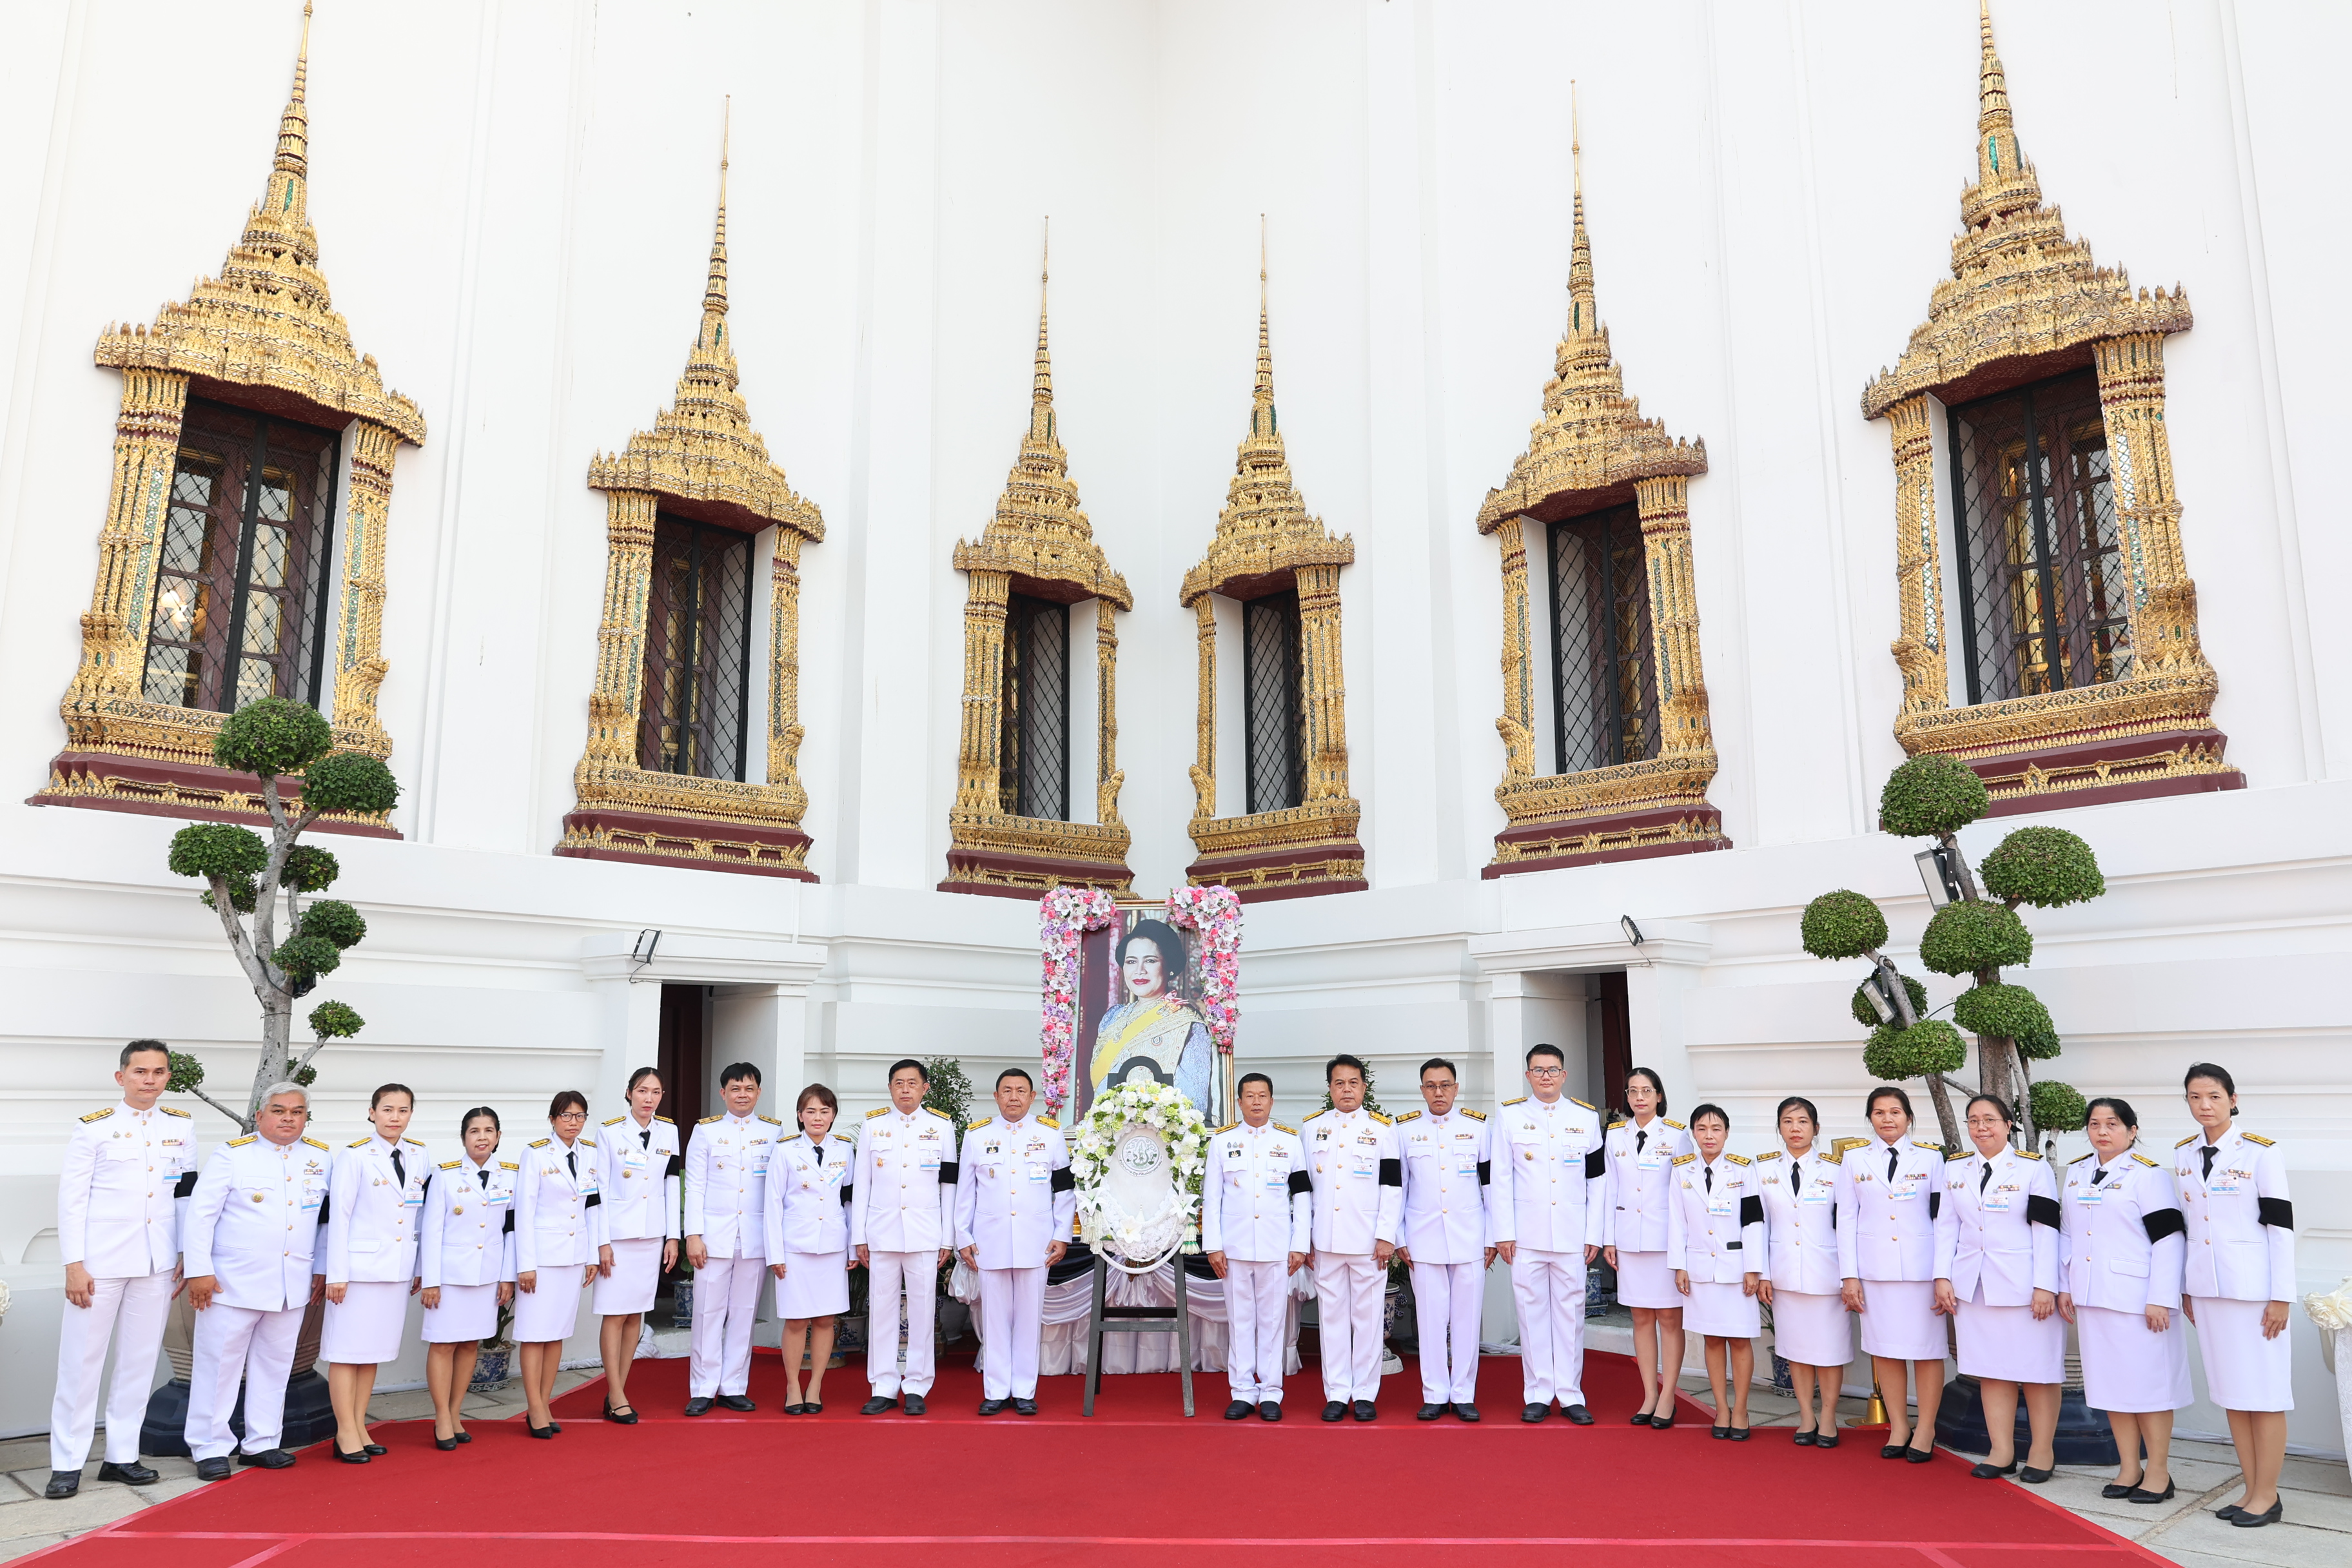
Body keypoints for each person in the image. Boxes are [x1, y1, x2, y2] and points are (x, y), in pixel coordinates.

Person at [45, 1040, 199, 1500]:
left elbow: (185, 1192)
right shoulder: (94, 1128)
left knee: (139, 1361)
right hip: (100, 1263)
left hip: (156, 1261)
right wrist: (74, 1264)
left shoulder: (181, 1125)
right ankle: (67, 1462)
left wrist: (186, 1251)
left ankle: (121, 1456)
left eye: (159, 1072)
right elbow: (72, 1201)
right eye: (140, 1071)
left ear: (168, 1077)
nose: (150, 1079)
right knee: (81, 1363)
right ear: (121, 1077)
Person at [181, 1081, 326, 1481]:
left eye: (297, 1112)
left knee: (275, 1366)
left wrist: (322, 1268)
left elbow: (325, 1220)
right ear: (260, 1116)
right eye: (279, 1111)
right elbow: (200, 1216)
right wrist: (199, 1270)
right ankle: (209, 1447)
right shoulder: (233, 1155)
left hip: (290, 1284)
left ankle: (262, 1442)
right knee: (218, 1368)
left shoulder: (320, 1158)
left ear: (306, 1118)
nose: (288, 1119)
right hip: (232, 1283)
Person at [2175, 1063, 2295, 1529]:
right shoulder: (2184, 1154)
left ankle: (2268, 1494)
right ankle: (2251, 1489)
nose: (2204, 1105)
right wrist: (2188, 1286)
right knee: (2233, 1394)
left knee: (2263, 1393)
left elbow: (2280, 1227)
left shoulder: (2261, 1153)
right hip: (2209, 1291)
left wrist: (2281, 1296)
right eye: (2195, 1097)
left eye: (2214, 1096)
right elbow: (2192, 1227)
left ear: (2232, 1099)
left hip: (2254, 1294)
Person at [2057, 1096, 2187, 1505]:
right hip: (2093, 1296)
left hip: (2138, 1299)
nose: (2102, 1131)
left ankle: (2159, 1471)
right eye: (2095, 1124)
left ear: (2132, 1131)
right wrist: (2065, 1285)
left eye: (2112, 1124)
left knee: (2149, 1387)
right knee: (2111, 1387)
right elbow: (2067, 1234)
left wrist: (2161, 1297)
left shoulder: (2148, 1176)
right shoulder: (2077, 1173)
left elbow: (2169, 1239)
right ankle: (2130, 1467)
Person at [1936, 1094, 2063, 1482]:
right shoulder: (1955, 1169)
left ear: (2008, 1125)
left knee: (2037, 1371)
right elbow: (1946, 1226)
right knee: (1991, 1370)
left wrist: (2045, 1285)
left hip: (2025, 1287)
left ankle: (2041, 1452)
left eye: (1990, 1119)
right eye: (1974, 1120)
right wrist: (1942, 1276)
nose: (1981, 1127)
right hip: (1974, 1286)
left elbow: (2046, 1229)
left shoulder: (2033, 1168)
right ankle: (2002, 1451)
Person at [1835, 1083, 1948, 1464]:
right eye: (1879, 1112)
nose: (1887, 1119)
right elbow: (1846, 1219)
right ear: (1870, 1118)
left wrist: (1942, 1273)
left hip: (1922, 1271)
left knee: (1928, 1352)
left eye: (1895, 1112)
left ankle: (1926, 1428)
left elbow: (1944, 1219)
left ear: (1909, 1118)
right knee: (1885, 1350)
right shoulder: (1854, 1160)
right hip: (1875, 1271)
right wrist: (1849, 1275)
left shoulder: (1931, 1158)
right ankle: (1899, 1426)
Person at [1493, 1044, 1605, 1425]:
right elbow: (1500, 1179)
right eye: (1538, 1070)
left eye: (1553, 1070)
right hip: (1526, 1236)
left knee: (1571, 1316)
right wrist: (1504, 1232)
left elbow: (1597, 1181)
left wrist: (1594, 1233)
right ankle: (1539, 1393)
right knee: (1531, 1315)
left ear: (1564, 1075)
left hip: (1572, 1236)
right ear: (1528, 1076)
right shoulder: (1510, 1116)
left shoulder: (1585, 1118)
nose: (1546, 1076)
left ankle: (1571, 1394)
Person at [954, 1068, 1075, 1415]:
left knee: (1028, 1319)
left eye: (1021, 1091)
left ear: (1032, 1097)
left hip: (1036, 1241)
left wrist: (1061, 1234)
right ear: (996, 1097)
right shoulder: (977, 1135)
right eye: (1006, 1090)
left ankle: (1024, 1390)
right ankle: (995, 1390)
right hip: (988, 1241)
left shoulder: (1050, 1134)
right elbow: (965, 1193)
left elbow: (1064, 1190)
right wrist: (963, 1236)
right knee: (993, 1319)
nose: (1013, 1097)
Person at [322, 1083, 427, 1463]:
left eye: (403, 1110)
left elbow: (417, 1216)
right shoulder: (354, 1156)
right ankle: (344, 1431)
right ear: (372, 1113)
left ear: (410, 1114)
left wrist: (418, 1267)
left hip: (396, 1268)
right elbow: (339, 1217)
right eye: (387, 1109)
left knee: (372, 1353)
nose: (394, 1117)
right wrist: (336, 1274)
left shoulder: (419, 1154)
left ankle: (359, 1425)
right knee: (346, 1351)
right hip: (358, 1271)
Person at [1395, 1057, 1498, 1422]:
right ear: (1422, 1090)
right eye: (1431, 1086)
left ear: (1456, 1088)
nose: (1438, 1092)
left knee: (1467, 1320)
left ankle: (1464, 1393)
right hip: (1422, 1239)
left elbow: (1491, 1186)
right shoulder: (1404, 1130)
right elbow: (1398, 1187)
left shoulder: (1478, 1127)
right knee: (1431, 1320)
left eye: (1445, 1085)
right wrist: (1398, 1235)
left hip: (1469, 1236)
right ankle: (1436, 1393)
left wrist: (1493, 1236)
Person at [851, 1058, 957, 1415]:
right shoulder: (873, 1126)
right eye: (899, 1083)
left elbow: (949, 1185)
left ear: (925, 1088)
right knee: (882, 1310)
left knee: (923, 1310)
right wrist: (859, 1236)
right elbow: (862, 1184)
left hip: (925, 1233)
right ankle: (882, 1385)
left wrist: (947, 1238)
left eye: (912, 1083)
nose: (905, 1089)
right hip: (881, 1233)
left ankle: (916, 1385)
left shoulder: (941, 1126)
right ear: (890, 1088)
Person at [1201, 1072, 1309, 1421]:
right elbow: (1212, 1197)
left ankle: (1272, 1392)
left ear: (1272, 1101)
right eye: (1250, 1096)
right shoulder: (1222, 1142)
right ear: (1239, 1102)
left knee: (1274, 1322)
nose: (1257, 1102)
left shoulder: (1290, 1142)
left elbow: (1302, 1196)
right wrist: (1213, 1246)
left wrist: (1300, 1243)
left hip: (1276, 1246)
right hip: (1233, 1249)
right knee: (1241, 1321)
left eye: (1263, 1096)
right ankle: (1243, 1391)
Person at [1300, 1054, 1402, 1422]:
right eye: (1339, 1083)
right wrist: (1304, 1238)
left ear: (1364, 1086)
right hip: (1325, 1241)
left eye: (1353, 1082)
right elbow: (1303, 1190)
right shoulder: (1311, 1128)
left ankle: (1365, 1394)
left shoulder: (1383, 1128)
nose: (1347, 1089)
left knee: (1368, 1320)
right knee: (1331, 1320)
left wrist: (1386, 1236)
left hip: (1368, 1242)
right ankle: (1337, 1393)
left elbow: (1393, 1185)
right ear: (1330, 1088)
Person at [682, 1062, 779, 1416]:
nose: (743, 1095)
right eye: (735, 1089)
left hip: (754, 1237)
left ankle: (734, 1385)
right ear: (723, 1093)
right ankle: (703, 1388)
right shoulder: (705, 1131)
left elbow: (776, 1190)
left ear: (759, 1092)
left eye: (749, 1088)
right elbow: (694, 1186)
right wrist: (693, 1234)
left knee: (744, 1313)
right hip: (713, 1237)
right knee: (707, 1313)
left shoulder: (774, 1132)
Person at [513, 1090, 611, 1438]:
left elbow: (592, 1207)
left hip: (573, 1256)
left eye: (580, 1116)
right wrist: (525, 1264)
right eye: (566, 1116)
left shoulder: (591, 1154)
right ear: (553, 1119)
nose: (574, 1123)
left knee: (557, 1333)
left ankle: (544, 1402)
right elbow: (523, 1213)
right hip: (541, 1259)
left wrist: (591, 1256)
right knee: (534, 1333)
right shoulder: (536, 1154)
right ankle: (534, 1407)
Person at [1754, 1095, 1849, 1449]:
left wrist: (1850, 1275)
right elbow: (1758, 1224)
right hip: (1784, 1275)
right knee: (1795, 1349)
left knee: (1830, 1351)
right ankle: (1807, 1416)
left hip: (1827, 1274)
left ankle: (1829, 1417)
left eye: (1803, 1122)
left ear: (1816, 1128)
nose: (1795, 1129)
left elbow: (1846, 1224)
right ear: (1779, 1128)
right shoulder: (1763, 1169)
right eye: (1788, 1122)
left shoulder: (1836, 1169)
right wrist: (1762, 1273)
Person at [419, 1106, 514, 1449]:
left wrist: (507, 1277)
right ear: (463, 1138)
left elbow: (510, 1230)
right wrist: (430, 1280)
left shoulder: (509, 1176)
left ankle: (456, 1412)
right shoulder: (444, 1176)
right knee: (444, 1344)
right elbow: (431, 1231)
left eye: (489, 1131)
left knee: (471, 1344)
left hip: (487, 1276)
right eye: (475, 1131)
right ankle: (441, 1416)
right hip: (449, 1277)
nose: (482, 1138)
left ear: (498, 1137)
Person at [1667, 1104, 1764, 1439]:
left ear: (1727, 1133)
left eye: (1716, 1129)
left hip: (1736, 1270)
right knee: (1712, 1340)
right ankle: (1722, 1409)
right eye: (1702, 1129)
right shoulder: (1682, 1171)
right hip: (1699, 1270)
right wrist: (1679, 1265)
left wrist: (1754, 1268)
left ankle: (1741, 1410)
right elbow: (1677, 1222)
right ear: (1693, 1133)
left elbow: (1753, 1222)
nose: (1709, 1136)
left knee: (1739, 1340)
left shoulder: (1743, 1170)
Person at [1603, 1066, 1691, 1429]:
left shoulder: (1678, 1135)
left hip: (1665, 1240)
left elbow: (1685, 1192)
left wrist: (1684, 1246)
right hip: (1629, 1239)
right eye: (1633, 1091)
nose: (1640, 1097)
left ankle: (1668, 1395)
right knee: (1640, 1317)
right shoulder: (1615, 1135)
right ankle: (1650, 1394)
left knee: (1669, 1319)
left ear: (1659, 1096)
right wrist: (1609, 1238)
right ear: (1627, 1097)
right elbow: (1608, 1189)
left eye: (1647, 1091)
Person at [593, 1068, 680, 1424]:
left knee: (635, 1316)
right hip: (617, 1237)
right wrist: (602, 1242)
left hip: (650, 1235)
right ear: (629, 1093)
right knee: (615, 1314)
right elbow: (598, 1190)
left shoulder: (669, 1131)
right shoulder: (609, 1132)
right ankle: (616, 1394)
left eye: (656, 1092)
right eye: (642, 1091)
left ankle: (618, 1391)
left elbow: (672, 1183)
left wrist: (672, 1235)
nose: (649, 1098)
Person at [765, 1084, 858, 1415]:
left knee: (825, 1319)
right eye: (811, 1111)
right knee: (795, 1321)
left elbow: (850, 1201)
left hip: (832, 1246)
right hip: (795, 1248)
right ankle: (793, 1385)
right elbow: (773, 1204)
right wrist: (775, 1254)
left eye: (824, 1111)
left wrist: (852, 1248)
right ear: (800, 1116)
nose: (818, 1117)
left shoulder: (844, 1150)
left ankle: (815, 1385)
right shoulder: (785, 1151)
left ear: (833, 1116)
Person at [1088, 919, 1213, 1113]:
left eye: (1150, 961)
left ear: (1168, 966)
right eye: (1131, 961)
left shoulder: (1188, 1024)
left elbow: (1193, 1106)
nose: (1140, 970)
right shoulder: (1112, 1018)